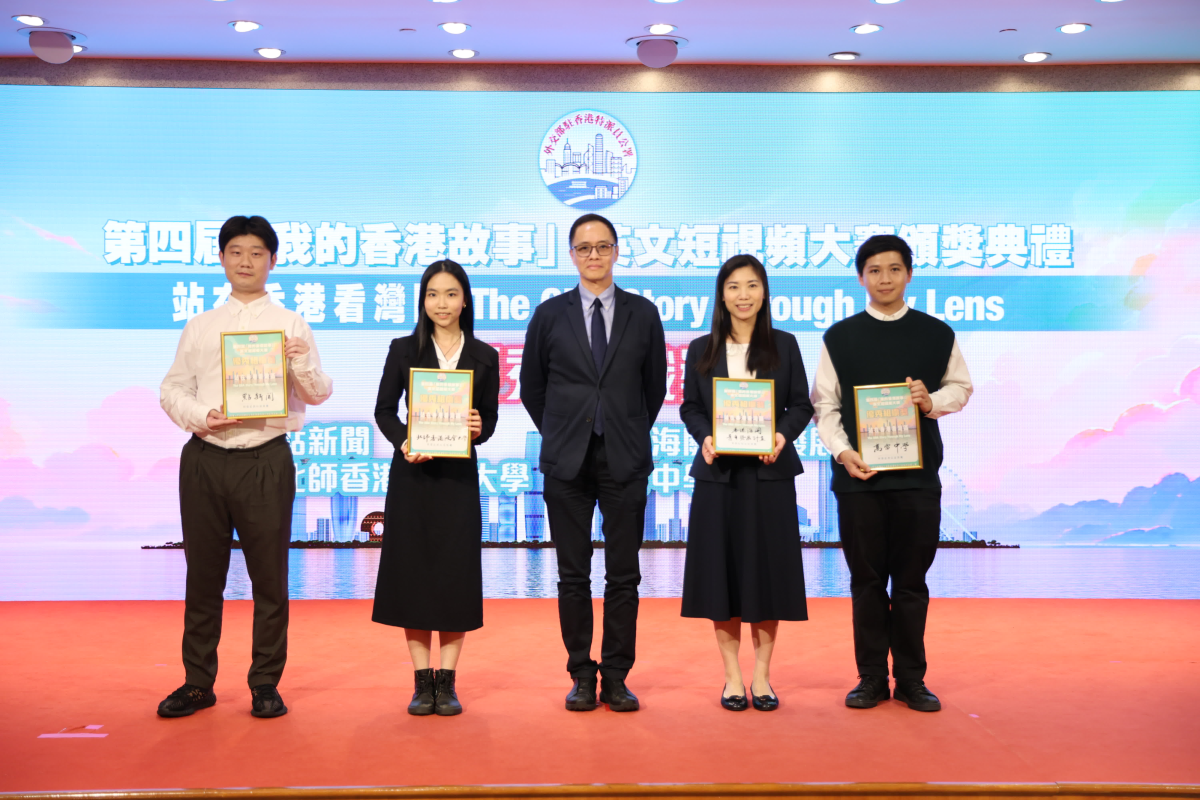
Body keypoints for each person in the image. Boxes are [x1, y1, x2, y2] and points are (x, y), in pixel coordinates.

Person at [158, 215, 333, 718]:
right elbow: (172, 389)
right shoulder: (200, 326)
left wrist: (300, 361)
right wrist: (202, 416)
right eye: (236, 251)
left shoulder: (292, 324)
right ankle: (198, 683)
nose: (246, 262)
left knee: (269, 579)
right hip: (205, 457)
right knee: (203, 577)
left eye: (257, 253)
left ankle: (265, 684)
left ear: (272, 261)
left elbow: (318, 393)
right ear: (221, 259)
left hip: (265, 459)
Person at [811, 234, 973, 713]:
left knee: (910, 584)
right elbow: (825, 406)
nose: (885, 279)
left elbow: (961, 387)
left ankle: (911, 680)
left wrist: (931, 401)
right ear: (861, 278)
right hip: (858, 481)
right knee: (865, 583)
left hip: (917, 481)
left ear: (909, 275)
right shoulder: (839, 337)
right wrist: (843, 453)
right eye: (875, 270)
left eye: (894, 269)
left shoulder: (936, 333)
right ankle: (870, 679)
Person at [520, 213, 667, 712]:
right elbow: (532, 387)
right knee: (573, 575)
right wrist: (565, 433)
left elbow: (654, 387)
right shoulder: (549, 315)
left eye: (603, 246)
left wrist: (624, 429)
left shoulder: (643, 313)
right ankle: (582, 674)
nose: (594, 256)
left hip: (625, 458)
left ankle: (618, 676)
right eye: (584, 248)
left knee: (624, 575)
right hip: (567, 462)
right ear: (571, 255)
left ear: (617, 251)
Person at [679, 254, 813, 712]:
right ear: (721, 295)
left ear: (764, 292)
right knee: (723, 576)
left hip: (769, 474)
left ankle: (762, 677)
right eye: (734, 286)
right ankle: (732, 677)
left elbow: (800, 405)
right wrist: (705, 437)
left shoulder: (784, 344)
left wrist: (781, 436)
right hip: (719, 476)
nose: (743, 295)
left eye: (752, 285)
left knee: (767, 575)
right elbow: (691, 407)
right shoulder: (702, 348)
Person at [372, 260, 499, 716]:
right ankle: (421, 682)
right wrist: (403, 439)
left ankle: (448, 682)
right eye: (432, 294)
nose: (441, 304)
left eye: (450, 294)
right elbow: (384, 410)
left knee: (454, 575)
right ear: (422, 301)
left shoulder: (485, 356)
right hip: (413, 476)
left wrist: (479, 427)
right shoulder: (404, 349)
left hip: (457, 480)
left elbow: (489, 421)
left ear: (465, 300)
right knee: (413, 575)